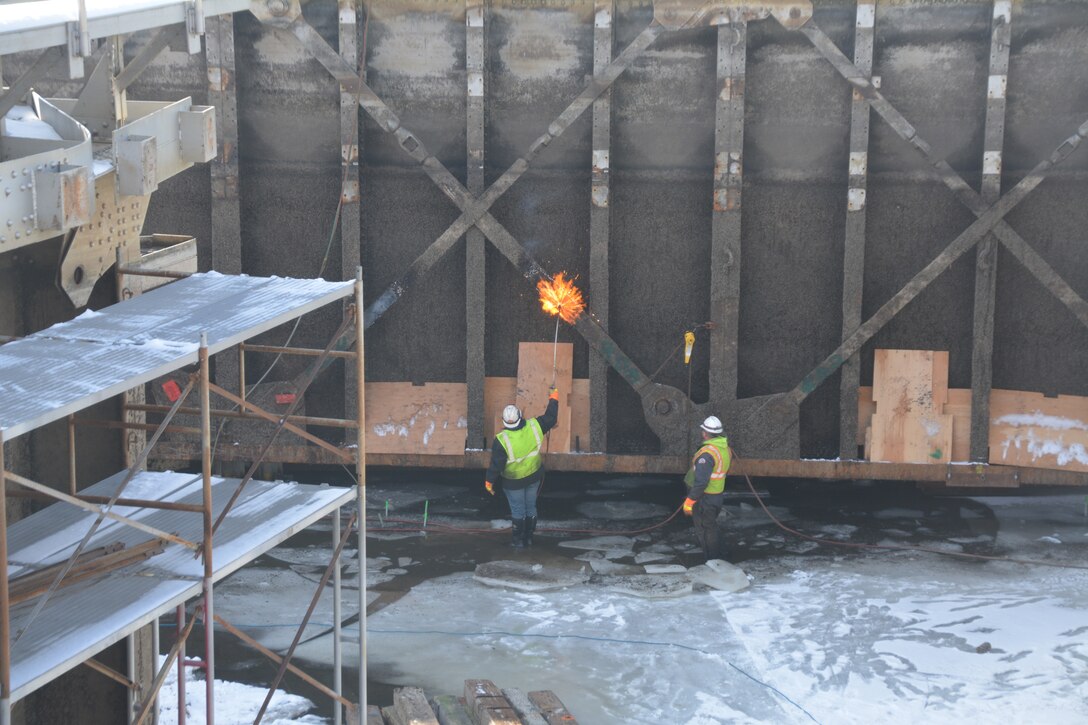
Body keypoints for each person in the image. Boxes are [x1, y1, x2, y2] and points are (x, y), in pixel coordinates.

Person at [484, 387, 560, 548]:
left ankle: (518, 541)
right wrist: (553, 398)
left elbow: (496, 465)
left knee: (518, 510)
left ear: (504, 422)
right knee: (530, 506)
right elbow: (551, 418)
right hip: (534, 476)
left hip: (513, 482)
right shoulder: (534, 426)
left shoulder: (502, 440)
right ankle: (529, 538)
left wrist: (489, 481)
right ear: (521, 416)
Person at [682, 415, 731, 562]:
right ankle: (719, 556)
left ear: (705, 433)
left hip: (705, 498)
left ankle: (712, 560)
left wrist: (689, 502)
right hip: (716, 496)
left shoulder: (708, 454)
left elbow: (701, 482)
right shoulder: (724, 449)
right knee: (710, 526)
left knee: (704, 529)